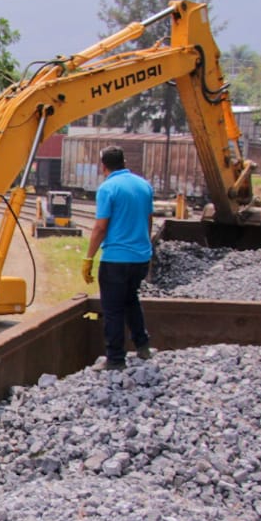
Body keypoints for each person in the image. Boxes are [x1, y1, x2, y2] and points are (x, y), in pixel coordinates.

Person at [82, 145, 156, 370]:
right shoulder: (144, 185)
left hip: (115, 260)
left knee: (112, 309)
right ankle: (142, 346)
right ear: (124, 162)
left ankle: (115, 359)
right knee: (131, 299)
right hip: (140, 259)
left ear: (103, 166)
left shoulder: (108, 188)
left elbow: (100, 227)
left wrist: (89, 258)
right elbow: (149, 220)